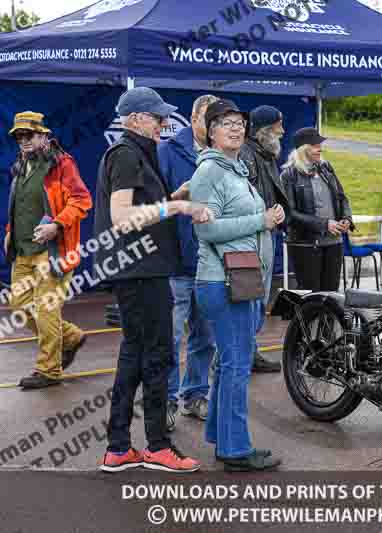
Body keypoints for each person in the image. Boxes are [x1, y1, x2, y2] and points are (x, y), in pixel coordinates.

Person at [95, 87, 211, 473]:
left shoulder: (134, 154)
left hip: (139, 271)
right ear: (134, 120)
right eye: (157, 116)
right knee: (158, 356)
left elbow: (143, 207)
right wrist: (177, 205)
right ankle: (158, 446)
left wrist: (174, 193)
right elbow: (122, 217)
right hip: (141, 272)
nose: (164, 123)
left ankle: (118, 447)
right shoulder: (127, 155)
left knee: (134, 356)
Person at [191, 99, 284, 472]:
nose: (235, 128)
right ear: (210, 131)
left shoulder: (235, 170)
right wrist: (260, 221)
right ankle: (234, 449)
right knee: (236, 364)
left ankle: (220, 435)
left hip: (240, 279)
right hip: (223, 281)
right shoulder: (210, 172)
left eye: (239, 123)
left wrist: (267, 219)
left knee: (229, 362)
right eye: (226, 123)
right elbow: (206, 228)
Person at [5, 112, 92, 389]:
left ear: (44, 135)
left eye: (28, 135)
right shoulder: (20, 164)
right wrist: (9, 232)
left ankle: (48, 369)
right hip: (23, 250)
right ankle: (71, 337)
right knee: (19, 306)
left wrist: (56, 224)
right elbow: (20, 205)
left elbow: (81, 200)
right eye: (19, 136)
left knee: (45, 309)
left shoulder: (61, 164)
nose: (23, 140)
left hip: (53, 251)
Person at [158, 94, 219, 430]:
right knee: (172, 337)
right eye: (209, 120)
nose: (213, 128)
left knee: (205, 335)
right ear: (195, 117)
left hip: (209, 262)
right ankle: (166, 400)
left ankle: (195, 394)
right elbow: (151, 205)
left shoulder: (221, 157)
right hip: (176, 262)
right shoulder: (167, 152)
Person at [239, 105, 288, 373]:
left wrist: (281, 210)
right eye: (279, 125)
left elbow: (269, 194)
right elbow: (247, 196)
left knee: (259, 299)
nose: (282, 130)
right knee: (251, 298)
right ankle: (239, 355)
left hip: (266, 233)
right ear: (265, 129)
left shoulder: (266, 154)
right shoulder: (247, 154)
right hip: (253, 236)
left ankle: (249, 351)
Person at [282, 127, 353, 292]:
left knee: (331, 295)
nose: (320, 148)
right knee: (312, 296)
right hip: (306, 245)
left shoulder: (326, 168)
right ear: (303, 148)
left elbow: (342, 197)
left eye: (320, 144)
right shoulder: (289, 175)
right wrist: (323, 224)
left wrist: (346, 219)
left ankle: (328, 320)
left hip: (334, 243)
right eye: (315, 145)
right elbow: (290, 214)